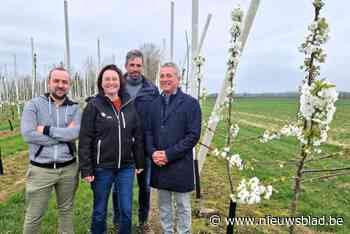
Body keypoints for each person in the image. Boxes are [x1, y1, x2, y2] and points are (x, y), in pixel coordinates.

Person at [78, 64, 144, 234]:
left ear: (120, 82)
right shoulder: (93, 106)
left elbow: (137, 135)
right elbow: (85, 139)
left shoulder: (129, 104)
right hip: (102, 168)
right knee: (99, 211)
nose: (111, 82)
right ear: (101, 83)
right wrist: (86, 169)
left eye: (114, 79)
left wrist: (139, 162)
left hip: (126, 167)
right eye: (107, 79)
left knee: (126, 211)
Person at [21, 67, 81, 234]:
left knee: (66, 211)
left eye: (64, 82)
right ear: (49, 83)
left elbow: (76, 133)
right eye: (56, 81)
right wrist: (64, 135)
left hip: (68, 169)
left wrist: (46, 129)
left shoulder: (75, 108)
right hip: (40, 170)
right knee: (34, 215)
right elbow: (28, 134)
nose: (60, 85)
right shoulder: (33, 105)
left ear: (69, 85)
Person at [145, 62, 202, 234]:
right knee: (164, 206)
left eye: (169, 75)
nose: (165, 79)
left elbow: (193, 136)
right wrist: (153, 152)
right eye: (162, 76)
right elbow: (147, 132)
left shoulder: (191, 104)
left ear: (179, 78)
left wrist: (168, 155)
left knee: (183, 206)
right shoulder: (154, 104)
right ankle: (167, 231)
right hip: (159, 165)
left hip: (179, 165)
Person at [112, 49, 159, 233]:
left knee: (145, 187)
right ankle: (118, 220)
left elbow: (156, 118)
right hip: (120, 146)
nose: (135, 69)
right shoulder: (116, 86)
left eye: (138, 65)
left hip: (144, 147)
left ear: (143, 66)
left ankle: (143, 220)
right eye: (132, 65)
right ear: (126, 66)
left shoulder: (151, 89)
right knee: (118, 188)